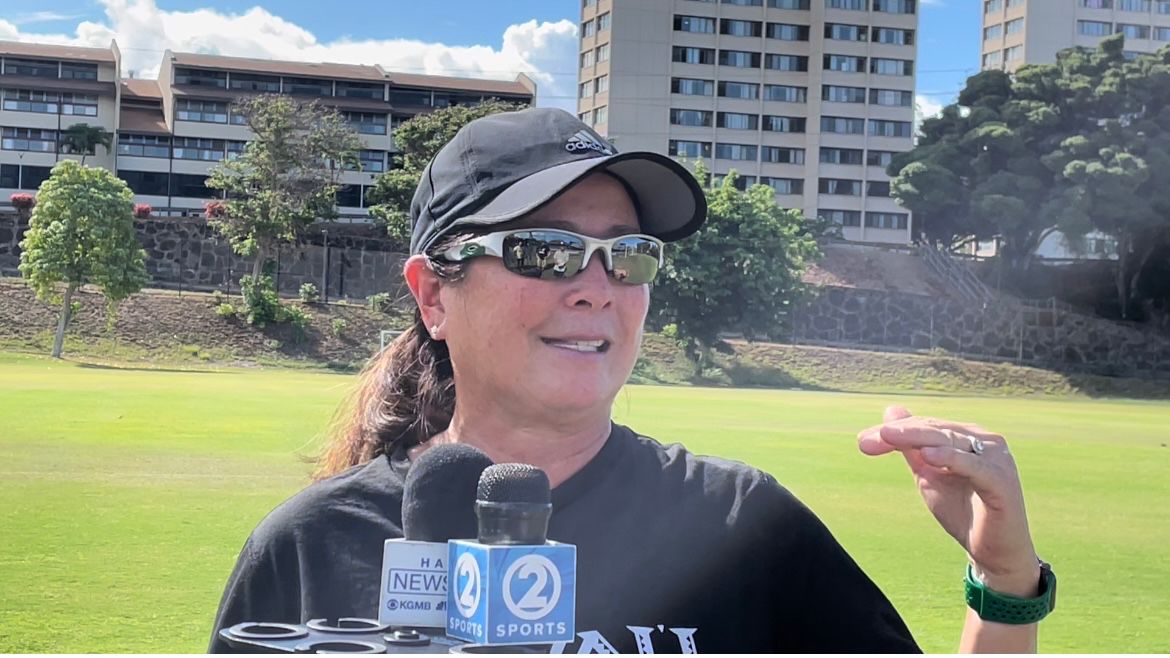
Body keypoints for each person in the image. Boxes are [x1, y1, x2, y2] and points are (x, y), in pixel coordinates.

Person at [208, 108, 1055, 653]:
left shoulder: (740, 524)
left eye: (629, 254)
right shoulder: (311, 546)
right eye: (545, 250)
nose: (597, 287)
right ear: (433, 295)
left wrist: (1004, 576)